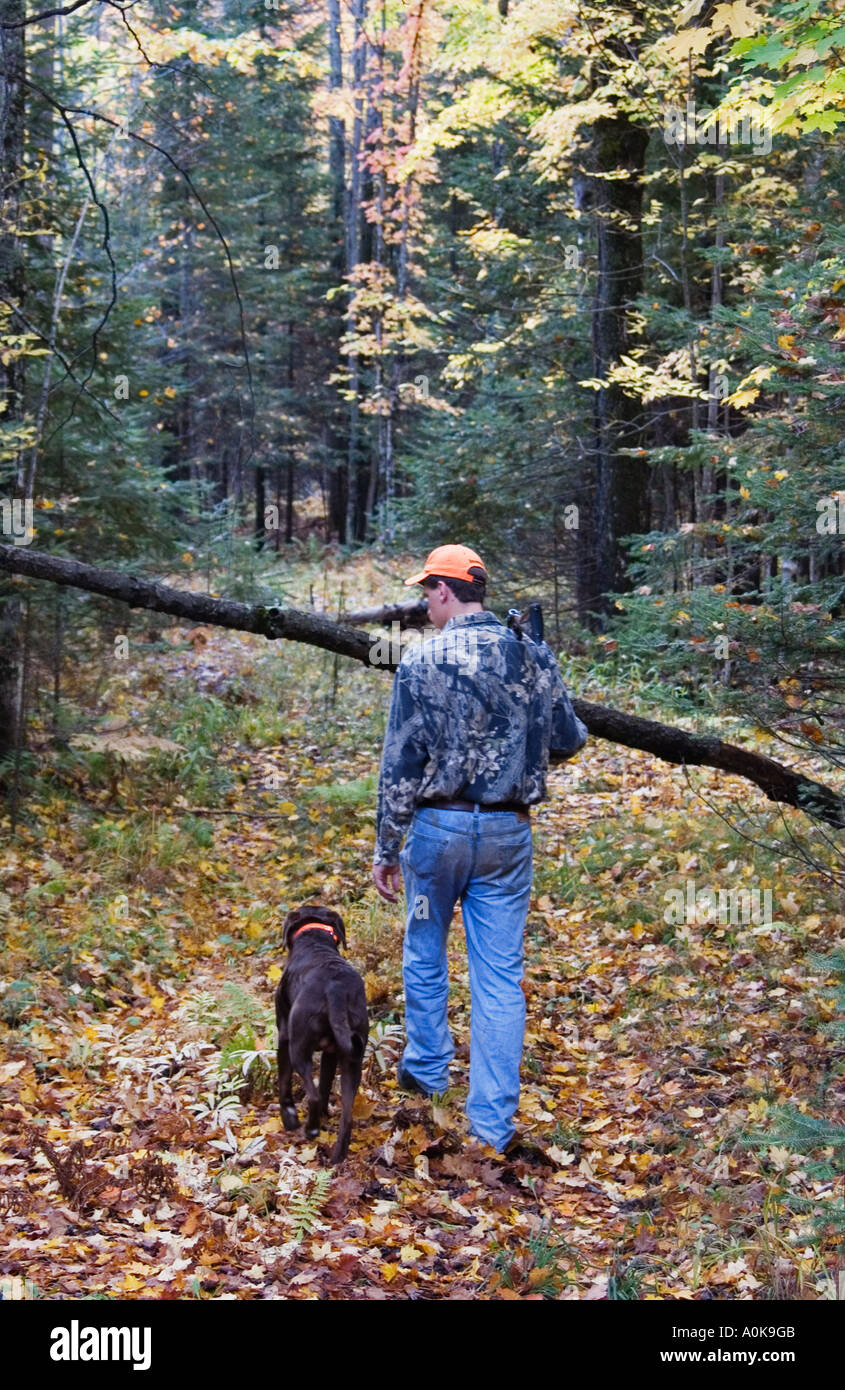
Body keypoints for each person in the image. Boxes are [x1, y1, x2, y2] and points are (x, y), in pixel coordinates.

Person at [372, 543, 587, 1155]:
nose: (423, 605)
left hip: (436, 837)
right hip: (506, 838)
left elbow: (400, 763)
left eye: (425, 594)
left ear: (445, 590)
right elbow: (569, 739)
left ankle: (427, 1072)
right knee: (499, 979)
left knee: (423, 947)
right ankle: (491, 1129)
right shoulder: (532, 654)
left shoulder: (421, 660)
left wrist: (388, 845)